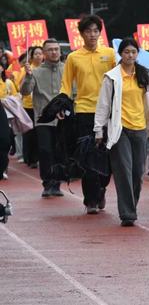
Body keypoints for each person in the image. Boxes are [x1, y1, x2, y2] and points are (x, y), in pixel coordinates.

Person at [94, 38, 149, 226]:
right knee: (123, 170)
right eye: (126, 52)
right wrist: (98, 129)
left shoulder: (144, 74)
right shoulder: (112, 77)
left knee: (138, 172)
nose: (130, 55)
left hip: (140, 128)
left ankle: (131, 206)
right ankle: (127, 214)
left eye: (133, 52)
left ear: (137, 54)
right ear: (120, 54)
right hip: (119, 129)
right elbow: (103, 104)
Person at [60, 15, 116, 214]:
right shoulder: (73, 57)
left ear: (100, 33)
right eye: (88, 31)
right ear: (82, 34)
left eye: (95, 31)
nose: (92, 35)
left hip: (108, 112)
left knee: (107, 157)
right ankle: (90, 200)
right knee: (88, 156)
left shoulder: (110, 54)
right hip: (84, 111)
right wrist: (61, 106)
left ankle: (101, 188)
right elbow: (66, 85)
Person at [20, 39, 65, 197]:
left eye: (56, 49)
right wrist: (27, 76)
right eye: (50, 50)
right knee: (45, 151)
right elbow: (25, 91)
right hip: (43, 119)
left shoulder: (67, 69)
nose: (54, 52)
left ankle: (57, 184)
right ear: (44, 53)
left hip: (63, 119)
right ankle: (47, 183)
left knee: (60, 152)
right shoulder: (36, 72)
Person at [16, 46, 44, 169]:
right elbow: (20, 86)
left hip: (41, 106)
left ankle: (38, 157)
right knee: (29, 133)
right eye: (36, 54)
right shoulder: (26, 69)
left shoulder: (44, 69)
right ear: (31, 57)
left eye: (40, 53)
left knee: (40, 133)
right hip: (28, 105)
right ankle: (30, 158)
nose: (38, 56)